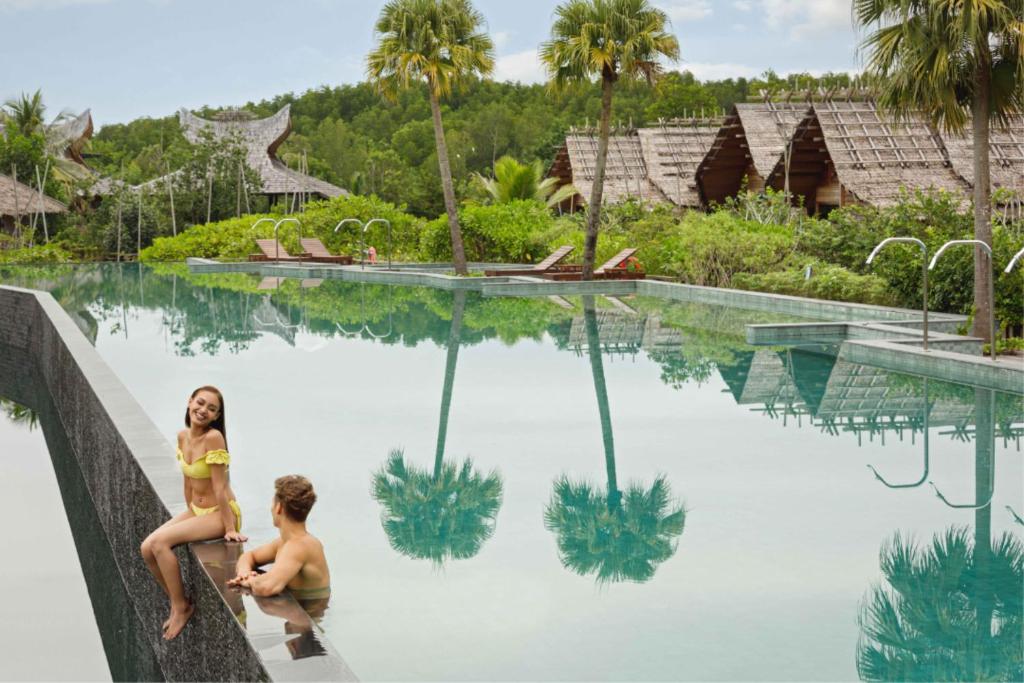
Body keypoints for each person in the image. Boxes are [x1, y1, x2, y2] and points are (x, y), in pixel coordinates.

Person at [140, 385, 246, 640]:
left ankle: (180, 607)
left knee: (160, 543)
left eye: (211, 408)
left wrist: (229, 528)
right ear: (189, 402)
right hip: (198, 510)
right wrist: (189, 511)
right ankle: (178, 601)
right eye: (200, 403)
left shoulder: (213, 438)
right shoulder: (182, 436)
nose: (203, 410)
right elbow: (188, 479)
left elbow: (220, 487)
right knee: (146, 548)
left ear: (217, 416)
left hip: (220, 512)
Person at [228, 475, 330, 608]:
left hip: (309, 615)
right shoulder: (285, 543)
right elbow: (249, 556)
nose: (271, 509)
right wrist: (244, 573)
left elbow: (267, 588)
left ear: (279, 508)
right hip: (298, 608)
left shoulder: (299, 546)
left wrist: (250, 581)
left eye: (272, 504)